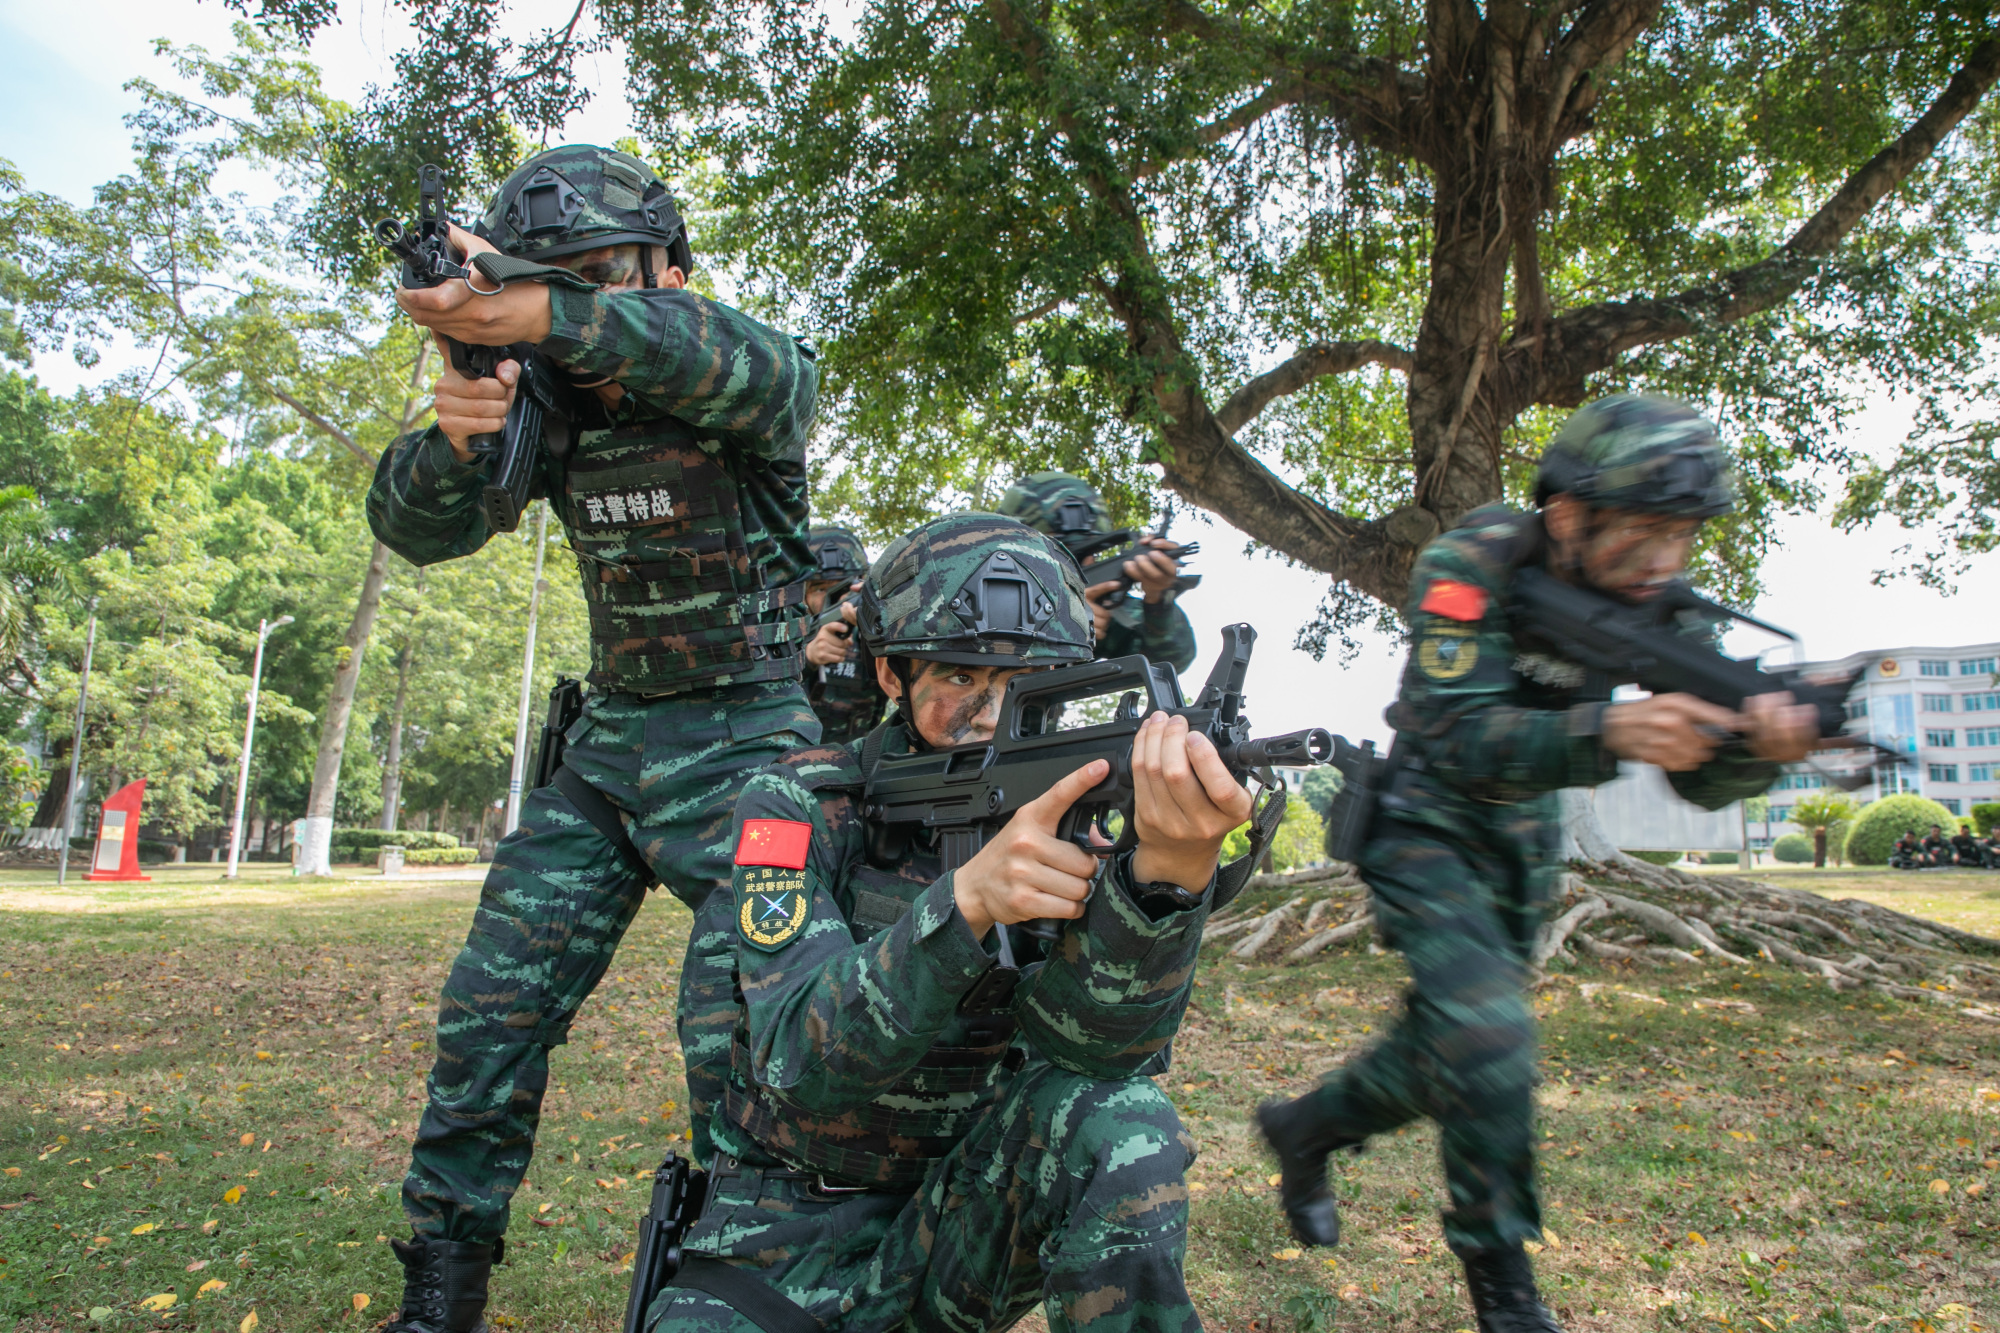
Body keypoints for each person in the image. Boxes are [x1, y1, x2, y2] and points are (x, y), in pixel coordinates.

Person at [364, 144, 822, 1333]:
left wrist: (553, 312)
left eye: (603, 271)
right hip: (613, 752)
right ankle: (443, 1281)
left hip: (758, 745)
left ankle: (740, 1269)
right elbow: (416, 529)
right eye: (554, 275)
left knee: (736, 1020)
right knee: (489, 1013)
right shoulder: (544, 405)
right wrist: (458, 431)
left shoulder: (727, 370)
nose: (580, 296)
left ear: (666, 270)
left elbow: (776, 376)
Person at [1254, 395, 1819, 1333]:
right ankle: (1502, 1282)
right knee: (1489, 1035)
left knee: (1461, 1051)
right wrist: (1612, 728)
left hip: (1524, 838)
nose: (1666, 561)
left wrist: (1761, 740)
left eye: (1682, 536)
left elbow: (1709, 788)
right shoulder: (1467, 563)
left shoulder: (1657, 605)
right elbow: (1459, 733)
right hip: (1425, 822)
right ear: (1567, 513)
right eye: (1645, 530)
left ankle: (1306, 1127)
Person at [644, 513, 1256, 1333]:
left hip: (955, 1220)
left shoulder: (1077, 810)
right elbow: (799, 1059)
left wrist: (1164, 882)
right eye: (960, 676)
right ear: (892, 675)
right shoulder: (795, 806)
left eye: (1028, 683)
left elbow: (1100, 1054)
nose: (991, 710)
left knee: (1124, 1123)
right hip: (776, 1239)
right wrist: (965, 904)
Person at [997, 471, 1199, 673]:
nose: (1081, 565)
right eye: (1061, 553)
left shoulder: (1094, 605)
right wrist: (1048, 630)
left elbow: (1170, 662)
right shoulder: (975, 594)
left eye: (1092, 550)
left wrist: (1158, 600)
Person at [798, 526, 888, 744]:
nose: (835, 599)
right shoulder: (785, 634)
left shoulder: (879, 628)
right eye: (820, 589)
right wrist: (806, 659)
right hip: (794, 765)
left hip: (856, 763)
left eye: (842, 588)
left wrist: (876, 628)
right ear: (804, 593)